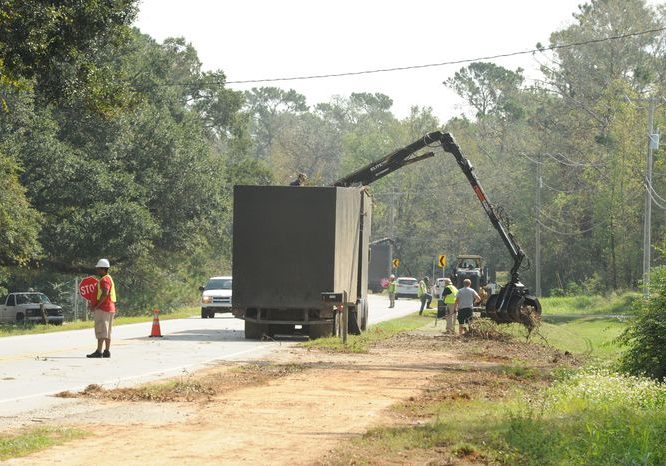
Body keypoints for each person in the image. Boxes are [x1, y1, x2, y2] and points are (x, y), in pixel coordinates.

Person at [87, 258, 117, 358]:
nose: (97, 271)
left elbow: (105, 293)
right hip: (109, 308)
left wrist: (96, 305)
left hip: (103, 309)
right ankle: (106, 351)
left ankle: (99, 351)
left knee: (101, 330)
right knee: (107, 331)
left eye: (99, 269)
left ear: (103, 269)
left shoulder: (104, 280)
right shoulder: (109, 278)